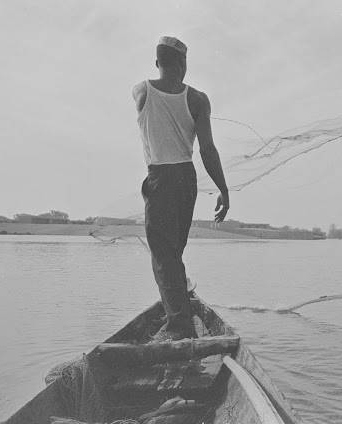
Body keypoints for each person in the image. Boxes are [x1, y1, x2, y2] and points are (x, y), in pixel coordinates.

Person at [132, 36, 229, 342]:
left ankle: (178, 326)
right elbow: (208, 150)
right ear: (183, 64)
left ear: (157, 63)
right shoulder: (198, 99)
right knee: (173, 252)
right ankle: (179, 313)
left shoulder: (140, 91)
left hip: (160, 177)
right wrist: (224, 191)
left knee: (163, 255)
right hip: (187, 179)